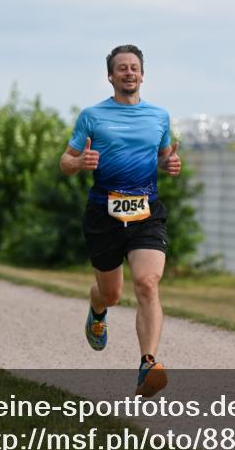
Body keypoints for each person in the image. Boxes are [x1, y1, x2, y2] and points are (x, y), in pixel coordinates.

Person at [61, 44, 181, 397]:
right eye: (122, 68)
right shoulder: (92, 116)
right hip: (104, 213)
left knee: (147, 283)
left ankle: (148, 364)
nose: (129, 72)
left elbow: (162, 157)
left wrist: (171, 164)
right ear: (110, 76)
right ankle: (97, 311)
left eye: (134, 67)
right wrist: (80, 163)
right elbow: (65, 161)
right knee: (111, 294)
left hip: (146, 211)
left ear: (143, 74)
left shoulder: (159, 116)